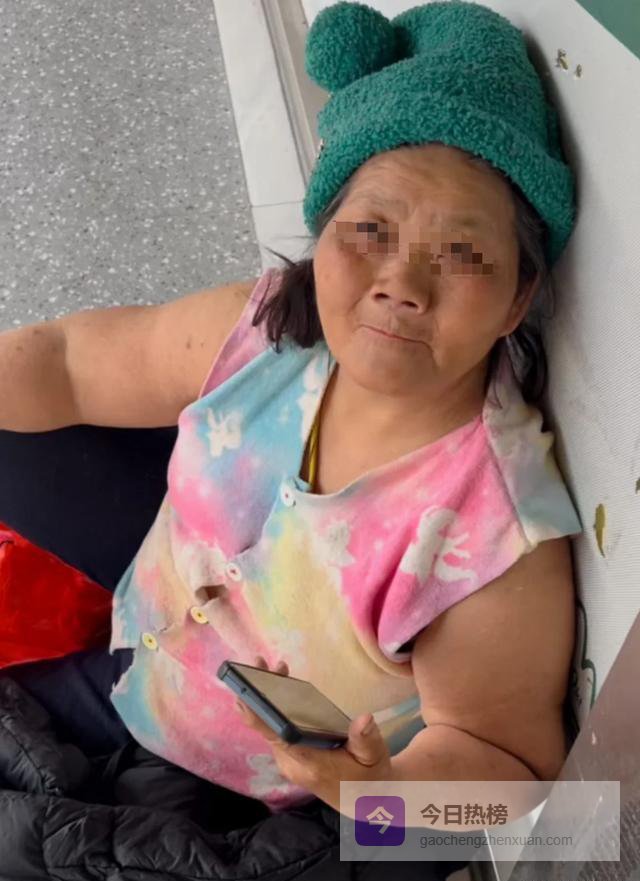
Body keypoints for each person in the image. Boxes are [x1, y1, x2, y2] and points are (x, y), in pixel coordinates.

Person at [0, 0, 582, 828]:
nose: (402, 284)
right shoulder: (267, 330)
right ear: (323, 231)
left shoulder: (493, 538)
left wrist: (370, 792)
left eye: (463, 253)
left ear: (520, 296)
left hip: (255, 802)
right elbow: (67, 364)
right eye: (370, 229)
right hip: (130, 663)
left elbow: (512, 770)